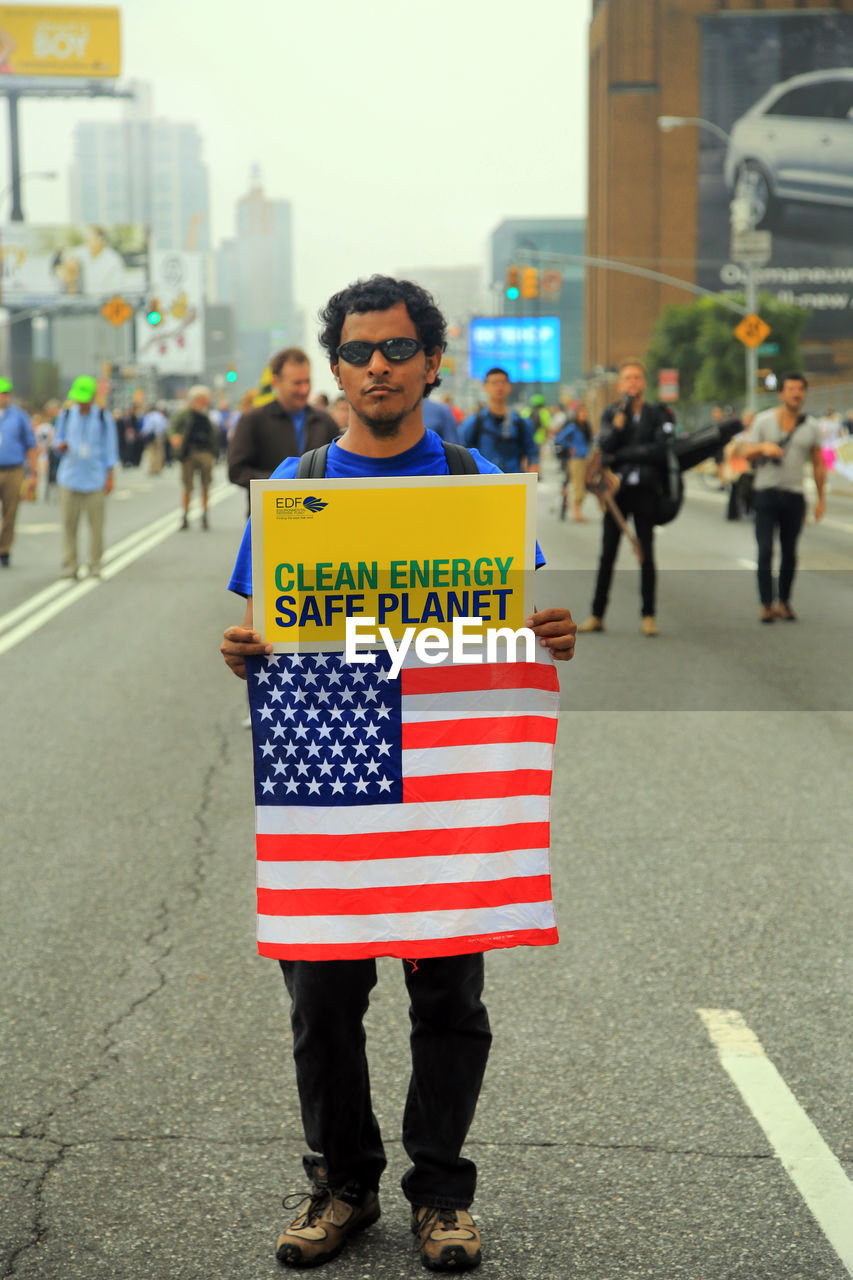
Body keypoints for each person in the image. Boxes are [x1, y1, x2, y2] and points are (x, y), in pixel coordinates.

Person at [220, 275, 576, 1273]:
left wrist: (548, 634)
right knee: (323, 1002)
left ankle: (442, 1194)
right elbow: (269, 632)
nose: (377, 364)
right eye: (359, 350)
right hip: (332, 786)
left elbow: (510, 626)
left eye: (396, 348)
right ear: (332, 368)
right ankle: (342, 1183)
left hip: (446, 792)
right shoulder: (294, 492)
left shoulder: (474, 484)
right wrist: (243, 649)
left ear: (431, 360)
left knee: (448, 1000)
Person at [578, 359, 674, 637]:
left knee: (646, 552)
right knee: (607, 554)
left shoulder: (657, 413)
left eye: (636, 378)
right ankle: (597, 614)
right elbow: (604, 446)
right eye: (627, 379)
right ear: (621, 385)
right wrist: (618, 429)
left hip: (646, 491)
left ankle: (648, 615)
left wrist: (621, 455)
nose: (632, 383)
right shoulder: (612, 413)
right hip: (616, 494)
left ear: (643, 383)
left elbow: (659, 450)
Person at [735, 372, 825, 622]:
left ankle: (784, 601)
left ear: (804, 394)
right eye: (791, 389)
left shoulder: (812, 427)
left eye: (800, 389)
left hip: (794, 496)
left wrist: (820, 499)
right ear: (782, 394)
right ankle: (766, 603)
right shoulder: (764, 421)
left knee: (790, 552)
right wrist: (763, 447)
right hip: (766, 495)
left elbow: (818, 464)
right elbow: (744, 451)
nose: (796, 394)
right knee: (765, 550)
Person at [227, 348, 338, 515]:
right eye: (297, 383)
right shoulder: (253, 420)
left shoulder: (324, 421)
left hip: (319, 516)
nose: (304, 389)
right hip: (270, 516)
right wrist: (282, 480)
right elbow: (236, 470)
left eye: (307, 381)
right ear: (275, 382)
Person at [54, 376, 119, 579]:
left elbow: (110, 448)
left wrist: (110, 476)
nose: (81, 402)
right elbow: (58, 440)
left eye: (84, 399)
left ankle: (95, 564)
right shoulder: (65, 414)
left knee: (96, 526)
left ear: (92, 397)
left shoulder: (102, 416)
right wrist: (60, 446)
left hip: (95, 477)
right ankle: (70, 564)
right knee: (69, 525)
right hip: (70, 476)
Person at [460, 369, 538, 474]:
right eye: (494, 383)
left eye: (503, 382)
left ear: (509, 387)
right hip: (484, 484)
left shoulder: (521, 423)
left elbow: (532, 455)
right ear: (486, 387)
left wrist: (531, 479)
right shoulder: (474, 423)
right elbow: (460, 453)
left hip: (513, 483)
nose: (499, 387)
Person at [0, 377, 37, 567]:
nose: (2, 397)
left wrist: (33, 474)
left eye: (5, 393)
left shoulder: (19, 416)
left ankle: (4, 549)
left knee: (10, 511)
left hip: (13, 469)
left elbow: (31, 445)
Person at [170, 386, 218, 530]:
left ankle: (204, 514)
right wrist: (175, 438)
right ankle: (185, 515)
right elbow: (173, 428)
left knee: (206, 485)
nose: (204, 403)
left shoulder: (207, 417)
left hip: (204, 452)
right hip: (189, 452)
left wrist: (214, 454)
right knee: (187, 486)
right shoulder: (184, 415)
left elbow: (213, 435)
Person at [554, 406, 592, 521]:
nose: (583, 416)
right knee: (577, 484)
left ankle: (578, 510)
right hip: (576, 459)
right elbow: (559, 438)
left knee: (585, 484)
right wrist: (570, 447)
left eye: (584, 414)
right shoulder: (573, 427)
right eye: (581, 414)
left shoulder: (586, 428)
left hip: (585, 458)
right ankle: (576, 513)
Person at [140, 402, 170, 475]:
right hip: (160, 436)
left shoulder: (149, 416)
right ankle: (158, 468)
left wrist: (144, 433)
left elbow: (147, 428)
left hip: (151, 437)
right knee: (159, 453)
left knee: (152, 453)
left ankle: (152, 468)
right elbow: (166, 425)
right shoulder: (160, 416)